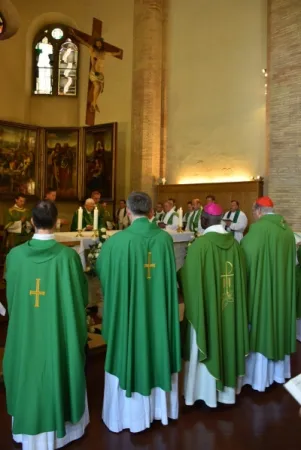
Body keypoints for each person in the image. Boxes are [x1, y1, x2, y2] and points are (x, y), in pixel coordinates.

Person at [3, 200, 89, 450]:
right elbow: (80, 298)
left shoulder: (15, 257)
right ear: (58, 223)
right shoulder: (68, 257)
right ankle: (64, 431)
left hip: (26, 332)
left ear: (31, 222)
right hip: (57, 335)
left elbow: (12, 297)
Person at [96, 192, 181, 433]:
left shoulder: (117, 241)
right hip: (157, 316)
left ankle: (128, 416)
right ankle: (160, 411)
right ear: (152, 212)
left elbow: (102, 272)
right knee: (157, 342)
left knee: (128, 345)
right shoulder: (164, 240)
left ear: (130, 212)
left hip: (129, 318)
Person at [179, 202, 249, 408]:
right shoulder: (235, 246)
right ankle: (227, 393)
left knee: (206, 333)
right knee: (228, 335)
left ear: (203, 220)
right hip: (230, 306)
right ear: (221, 220)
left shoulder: (200, 245)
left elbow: (189, 279)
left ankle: (202, 392)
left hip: (207, 311)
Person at [241, 196, 296, 391]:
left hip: (262, 292)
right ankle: (279, 373)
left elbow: (244, 260)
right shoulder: (287, 231)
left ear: (257, 211)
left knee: (262, 325)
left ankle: (258, 379)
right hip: (281, 293)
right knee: (278, 324)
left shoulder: (259, 230)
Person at [70, 30, 122, 113]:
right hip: (94, 72)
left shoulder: (104, 52)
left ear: (101, 43)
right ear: (95, 43)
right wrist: (75, 35)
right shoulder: (92, 49)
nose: (98, 44)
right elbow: (84, 42)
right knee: (97, 86)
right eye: (97, 43)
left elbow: (111, 53)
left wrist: (118, 53)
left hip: (101, 73)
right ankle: (93, 103)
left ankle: (94, 103)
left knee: (99, 88)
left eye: (100, 43)